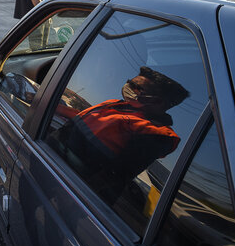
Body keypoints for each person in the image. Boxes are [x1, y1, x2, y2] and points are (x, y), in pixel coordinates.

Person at [49, 66, 189, 204]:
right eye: (129, 82)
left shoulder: (155, 134)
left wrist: (71, 200)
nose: (127, 86)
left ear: (157, 102)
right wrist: (47, 105)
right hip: (53, 156)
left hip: (69, 184)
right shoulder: (117, 105)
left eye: (135, 87)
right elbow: (86, 117)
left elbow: (112, 179)